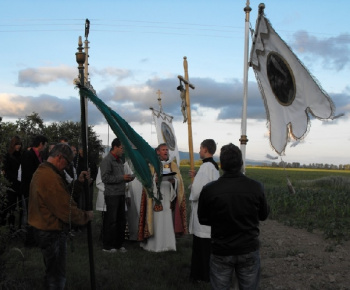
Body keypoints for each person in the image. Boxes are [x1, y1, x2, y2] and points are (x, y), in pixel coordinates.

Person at [198, 143, 270, 290]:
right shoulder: (256, 187)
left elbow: (203, 219)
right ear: (241, 163)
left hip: (221, 250)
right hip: (248, 249)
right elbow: (263, 215)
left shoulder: (209, 190)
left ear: (221, 164)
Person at [28, 143, 94, 289]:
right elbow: (66, 210)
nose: (68, 166)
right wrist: (86, 216)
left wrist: (78, 183)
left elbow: (62, 195)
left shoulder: (45, 171)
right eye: (68, 162)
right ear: (59, 157)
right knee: (56, 277)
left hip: (45, 229)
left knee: (52, 272)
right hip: (51, 232)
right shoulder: (49, 177)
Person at [140, 143, 184, 252]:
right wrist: (153, 182)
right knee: (157, 220)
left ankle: (168, 244)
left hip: (168, 195)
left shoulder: (172, 165)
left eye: (167, 150)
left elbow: (180, 181)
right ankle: (156, 244)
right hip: (156, 198)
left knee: (167, 219)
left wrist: (174, 182)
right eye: (163, 149)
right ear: (158, 152)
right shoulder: (152, 165)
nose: (166, 151)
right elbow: (146, 182)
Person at [189, 139, 220, 283]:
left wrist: (193, 186)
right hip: (211, 212)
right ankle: (207, 274)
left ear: (206, 149)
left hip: (203, 213)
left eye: (201, 148)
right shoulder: (213, 167)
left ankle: (201, 275)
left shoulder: (206, 167)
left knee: (201, 248)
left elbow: (197, 191)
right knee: (207, 248)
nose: (199, 151)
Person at [100, 138, 134, 253]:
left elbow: (119, 178)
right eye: (121, 147)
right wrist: (121, 178)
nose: (123, 150)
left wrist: (128, 178)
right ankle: (108, 245)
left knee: (121, 220)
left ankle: (118, 244)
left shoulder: (119, 161)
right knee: (112, 221)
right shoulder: (107, 160)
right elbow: (105, 178)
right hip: (112, 195)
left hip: (120, 193)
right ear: (115, 147)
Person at [20, 135, 48, 230]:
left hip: (37, 188)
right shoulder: (28, 154)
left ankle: (35, 233)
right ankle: (29, 237)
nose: (45, 148)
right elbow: (28, 173)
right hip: (29, 188)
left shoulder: (40, 156)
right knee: (30, 212)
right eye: (45, 145)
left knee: (36, 212)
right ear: (41, 144)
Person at [1, 136, 22, 230]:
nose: (19, 146)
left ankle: (16, 227)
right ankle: (10, 225)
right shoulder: (8, 155)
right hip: (11, 183)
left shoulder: (20, 155)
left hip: (18, 183)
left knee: (19, 206)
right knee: (10, 205)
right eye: (17, 144)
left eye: (20, 144)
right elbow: (5, 170)